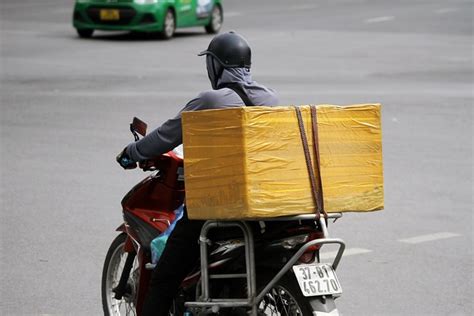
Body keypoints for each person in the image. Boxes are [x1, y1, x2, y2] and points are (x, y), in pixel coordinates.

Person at [116, 31, 279, 316]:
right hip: (267, 204)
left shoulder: (210, 100)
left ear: (216, 66)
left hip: (220, 205)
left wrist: (132, 151)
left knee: (164, 275)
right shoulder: (270, 100)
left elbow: (166, 136)